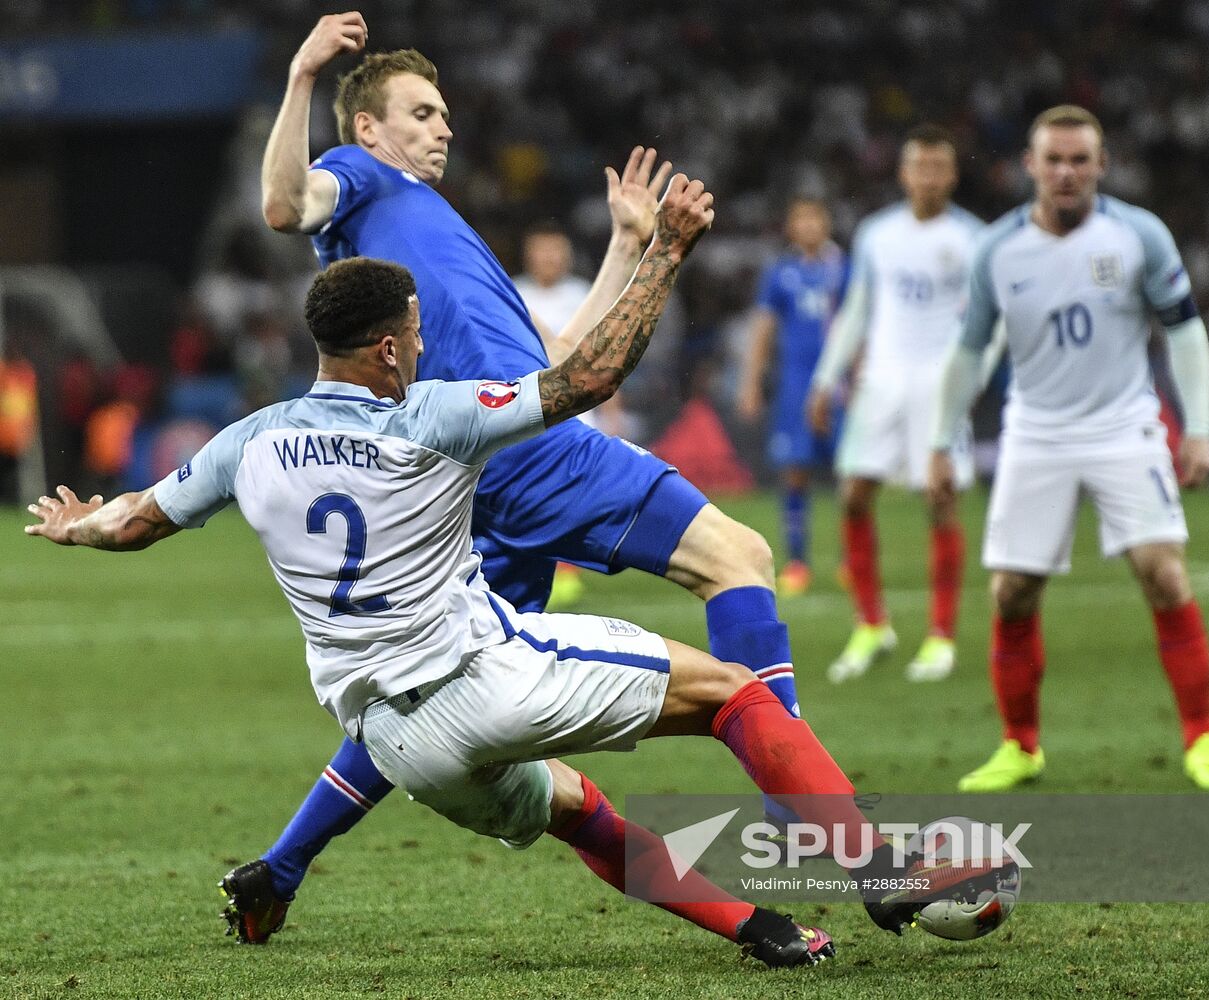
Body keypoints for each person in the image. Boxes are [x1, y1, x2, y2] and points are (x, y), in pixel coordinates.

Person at [26, 248, 975, 966]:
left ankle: (758, 928)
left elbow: (138, 522)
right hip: (488, 674)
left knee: (581, 816)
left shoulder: (246, 441)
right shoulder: (432, 413)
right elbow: (590, 379)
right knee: (734, 694)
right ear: (392, 344)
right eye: (418, 330)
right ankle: (880, 875)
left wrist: (76, 527)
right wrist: (663, 256)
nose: (426, 343)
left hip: (397, 746)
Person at [223, 12, 807, 941]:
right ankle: (807, 810)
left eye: (445, 112)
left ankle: (281, 866)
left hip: (476, 477)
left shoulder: (435, 231)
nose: (442, 126)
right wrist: (300, 77)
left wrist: (621, 247)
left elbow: (557, 360)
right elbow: (286, 204)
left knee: (434, 684)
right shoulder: (363, 180)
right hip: (530, 459)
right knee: (736, 556)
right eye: (420, 112)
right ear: (366, 129)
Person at [927, 105, 1209, 792]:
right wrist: (937, 443)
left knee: (1163, 572)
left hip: (1123, 427)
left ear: (1101, 165)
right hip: (1035, 431)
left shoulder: (1138, 237)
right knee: (1011, 592)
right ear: (1029, 167)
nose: (1066, 172)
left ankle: (1201, 740)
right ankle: (1019, 746)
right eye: (1053, 160)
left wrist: (1197, 430)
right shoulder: (998, 250)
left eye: (1079, 160)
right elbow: (969, 349)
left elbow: (1184, 332)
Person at [806, 125, 991, 683]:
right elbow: (858, 308)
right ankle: (870, 623)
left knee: (939, 499)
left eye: (940, 167)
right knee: (854, 495)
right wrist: (825, 378)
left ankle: (940, 635)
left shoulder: (975, 238)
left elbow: (988, 322)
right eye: (920, 166)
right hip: (882, 381)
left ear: (953, 175)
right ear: (904, 173)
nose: (930, 177)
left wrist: (971, 382)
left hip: (938, 384)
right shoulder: (877, 234)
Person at [737, 198, 850, 595]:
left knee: (849, 474)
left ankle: (850, 561)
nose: (807, 225)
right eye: (799, 218)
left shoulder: (844, 269)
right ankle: (798, 563)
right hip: (795, 386)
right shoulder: (780, 273)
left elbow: (861, 324)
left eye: (814, 217)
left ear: (827, 222)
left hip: (840, 387)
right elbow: (763, 327)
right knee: (795, 472)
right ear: (790, 226)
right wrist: (751, 382)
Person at [513, 222, 619, 607]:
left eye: (555, 251)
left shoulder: (580, 294)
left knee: (570, 491)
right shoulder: (514, 292)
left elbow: (602, 354)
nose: (549, 258)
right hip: (525, 408)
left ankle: (568, 564)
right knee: (534, 492)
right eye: (542, 250)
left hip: (578, 408)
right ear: (530, 255)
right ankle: (550, 565)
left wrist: (612, 411)